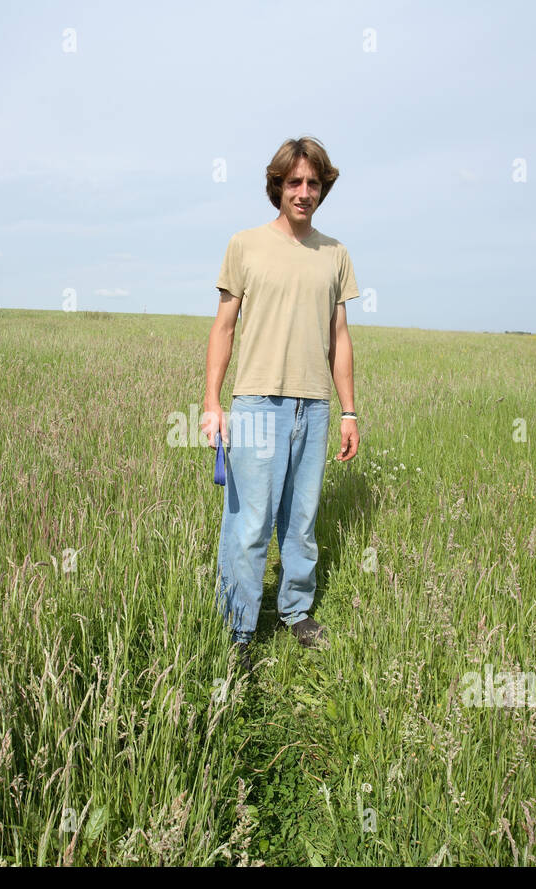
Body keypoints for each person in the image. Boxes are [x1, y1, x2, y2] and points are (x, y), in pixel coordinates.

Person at [202, 137, 360, 673]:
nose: (304, 191)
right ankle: (239, 628)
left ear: (323, 188)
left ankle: (295, 611)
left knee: (302, 521)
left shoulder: (335, 253)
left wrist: (349, 410)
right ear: (278, 185)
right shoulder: (244, 245)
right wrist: (211, 403)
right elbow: (223, 328)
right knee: (248, 524)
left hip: (313, 407)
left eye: (314, 183)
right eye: (294, 182)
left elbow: (339, 337)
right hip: (255, 406)